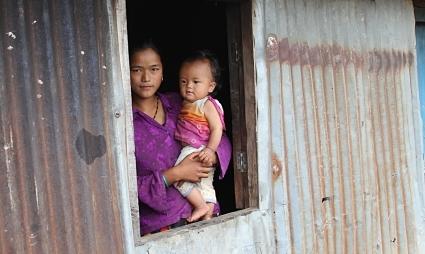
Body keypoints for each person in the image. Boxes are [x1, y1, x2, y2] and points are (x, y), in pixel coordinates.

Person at [130, 40, 232, 236]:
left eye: (153, 69)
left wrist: (212, 155)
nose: (145, 77)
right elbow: (120, 186)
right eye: (136, 70)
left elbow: (221, 137)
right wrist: (175, 174)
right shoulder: (121, 123)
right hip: (160, 226)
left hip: (205, 214)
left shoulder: (181, 103)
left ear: (162, 73)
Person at [173, 50, 227, 222]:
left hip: (197, 149)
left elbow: (217, 128)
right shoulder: (187, 103)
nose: (189, 86)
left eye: (196, 82)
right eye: (184, 81)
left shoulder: (207, 104)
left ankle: (200, 206)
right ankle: (209, 211)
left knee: (178, 178)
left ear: (210, 86)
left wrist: (211, 150)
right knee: (205, 184)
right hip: (198, 149)